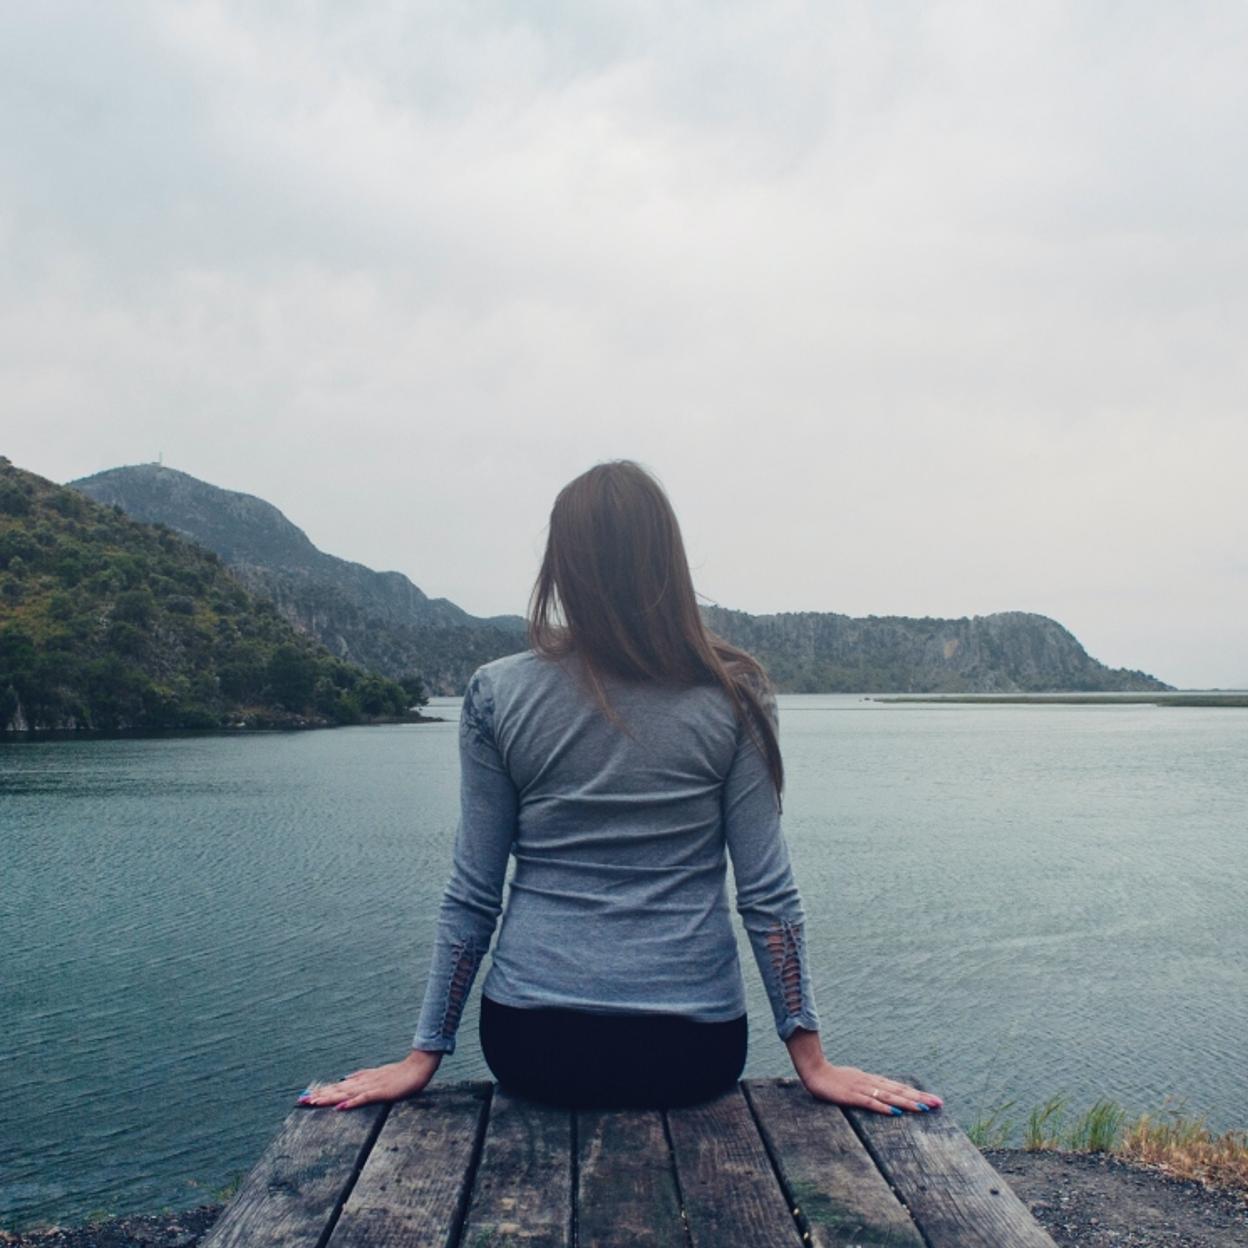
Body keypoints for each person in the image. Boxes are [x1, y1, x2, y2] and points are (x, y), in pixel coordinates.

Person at [300, 460, 942, 1116]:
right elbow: (768, 894)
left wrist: (423, 1054)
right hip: (694, 1052)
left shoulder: (498, 694)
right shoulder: (735, 697)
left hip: (530, 1045)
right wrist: (812, 1060)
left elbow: (473, 892)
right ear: (667, 561)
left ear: (562, 566)